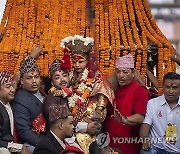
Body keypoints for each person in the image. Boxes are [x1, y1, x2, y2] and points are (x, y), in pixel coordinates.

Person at [55, 35, 114, 153]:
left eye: (81, 62)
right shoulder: (70, 74)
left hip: (91, 116)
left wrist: (99, 109)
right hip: (73, 120)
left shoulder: (95, 74)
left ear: (88, 60)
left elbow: (104, 91)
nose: (77, 65)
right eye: (74, 62)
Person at [105, 54, 149, 154]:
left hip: (128, 142)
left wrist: (124, 119)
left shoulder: (139, 90)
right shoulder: (114, 89)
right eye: (118, 71)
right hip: (110, 139)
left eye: (125, 72)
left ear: (133, 73)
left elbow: (140, 117)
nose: (121, 75)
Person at [12, 55, 46, 154]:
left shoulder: (43, 94)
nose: (34, 81)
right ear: (22, 81)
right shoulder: (20, 99)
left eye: (36, 77)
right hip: (33, 142)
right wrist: (44, 145)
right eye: (29, 78)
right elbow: (24, 131)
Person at [140, 72, 180, 153]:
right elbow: (145, 126)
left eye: (175, 88)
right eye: (167, 87)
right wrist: (145, 140)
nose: (171, 91)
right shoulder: (152, 103)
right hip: (156, 149)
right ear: (163, 87)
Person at [0, 71, 29, 154]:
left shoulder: (8, 103)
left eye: (12, 86)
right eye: (8, 87)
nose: (12, 90)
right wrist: (19, 147)